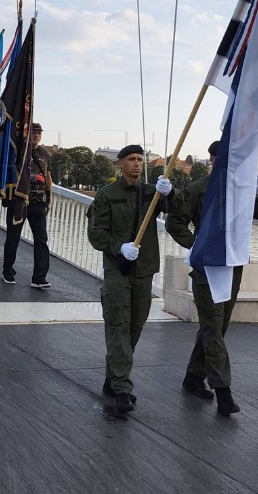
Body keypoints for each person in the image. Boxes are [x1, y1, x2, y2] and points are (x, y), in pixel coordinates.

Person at [165, 140, 258, 416]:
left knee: (219, 326)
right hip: (206, 267)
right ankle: (223, 390)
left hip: (232, 265)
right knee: (212, 327)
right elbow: (174, 221)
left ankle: (193, 376)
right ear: (212, 160)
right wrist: (195, 245)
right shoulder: (199, 189)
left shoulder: (243, 190)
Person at [86, 144, 175, 413]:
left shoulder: (151, 193)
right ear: (120, 164)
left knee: (133, 328)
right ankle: (123, 388)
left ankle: (113, 378)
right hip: (118, 270)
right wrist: (119, 247)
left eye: (141, 160)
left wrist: (169, 194)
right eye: (132, 160)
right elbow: (96, 234)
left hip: (144, 270)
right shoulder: (106, 195)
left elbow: (179, 211)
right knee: (118, 325)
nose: (137, 164)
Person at [2, 122, 52, 288]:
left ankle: (39, 278)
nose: (36, 135)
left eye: (38, 133)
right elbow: (8, 172)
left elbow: (48, 176)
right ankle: (8, 272)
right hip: (20, 202)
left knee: (41, 241)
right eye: (33, 132)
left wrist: (49, 197)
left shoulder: (44, 153)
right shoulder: (19, 151)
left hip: (38, 203)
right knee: (13, 238)